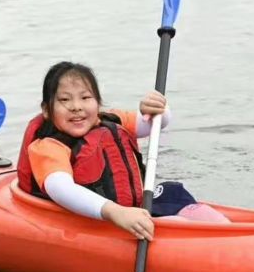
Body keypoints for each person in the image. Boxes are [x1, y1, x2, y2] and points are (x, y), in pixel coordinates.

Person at [17, 61, 172, 241]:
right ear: (46, 110)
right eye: (64, 100)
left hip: (130, 211)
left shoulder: (111, 120)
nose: (76, 106)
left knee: (173, 191)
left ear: (98, 103)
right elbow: (60, 189)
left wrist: (156, 106)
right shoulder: (48, 147)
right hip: (86, 220)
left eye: (85, 97)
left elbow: (156, 123)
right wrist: (114, 212)